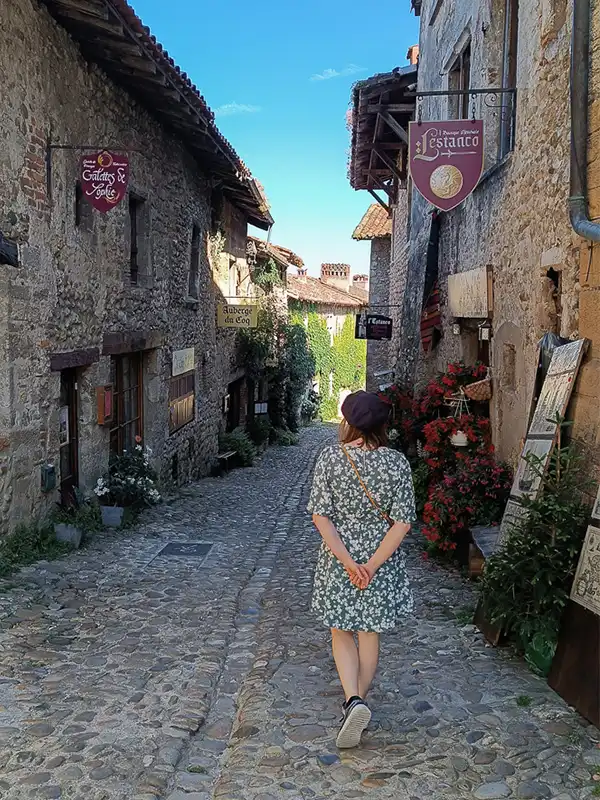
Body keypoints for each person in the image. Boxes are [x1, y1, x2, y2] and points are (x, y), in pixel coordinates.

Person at [308, 390, 416, 749]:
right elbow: (402, 523)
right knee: (370, 633)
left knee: (341, 630)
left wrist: (347, 561)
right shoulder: (397, 463)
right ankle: (357, 702)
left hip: (341, 557)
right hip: (379, 560)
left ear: (347, 422)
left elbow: (321, 515)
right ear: (382, 426)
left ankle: (352, 699)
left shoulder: (330, 458)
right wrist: (370, 565)